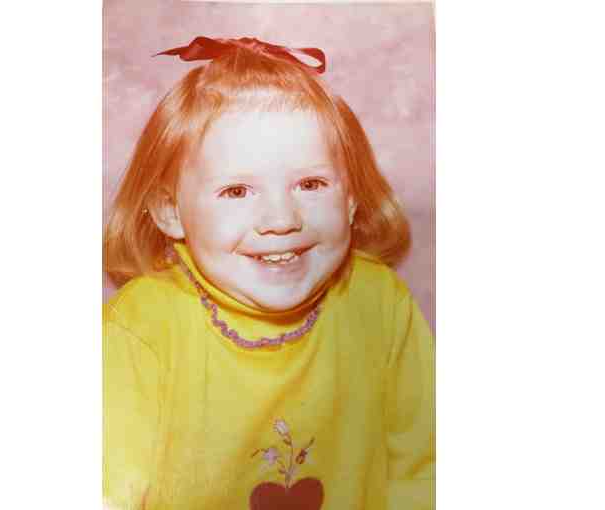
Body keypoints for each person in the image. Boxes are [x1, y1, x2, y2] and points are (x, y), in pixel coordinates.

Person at [103, 37, 434, 510]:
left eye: (311, 184)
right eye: (237, 191)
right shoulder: (141, 327)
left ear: (350, 199)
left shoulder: (379, 301)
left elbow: (424, 468)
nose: (281, 219)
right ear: (170, 210)